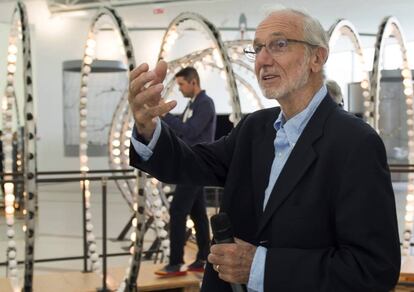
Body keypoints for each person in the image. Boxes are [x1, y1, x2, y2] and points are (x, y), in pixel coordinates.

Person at [128, 8, 401, 292]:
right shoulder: (254, 128)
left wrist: (260, 267)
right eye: (257, 48)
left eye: (279, 45)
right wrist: (148, 128)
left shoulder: (355, 143)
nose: (263, 60)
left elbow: (372, 270)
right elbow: (191, 163)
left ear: (317, 57)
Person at [156, 67, 216, 276]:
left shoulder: (205, 104)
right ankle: (203, 258)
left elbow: (189, 130)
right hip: (190, 164)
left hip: (194, 165)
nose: (180, 89)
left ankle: (175, 263)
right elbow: (182, 127)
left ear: (193, 82)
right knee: (198, 213)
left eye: (181, 84)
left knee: (177, 211)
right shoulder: (193, 104)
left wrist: (165, 115)